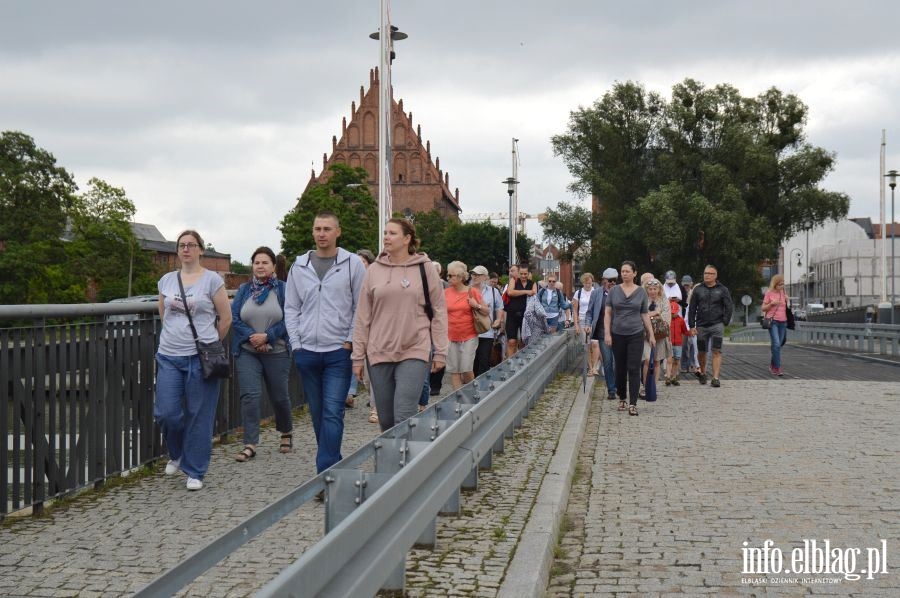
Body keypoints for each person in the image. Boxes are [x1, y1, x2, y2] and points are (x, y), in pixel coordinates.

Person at [284, 211, 366, 474]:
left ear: (337, 232)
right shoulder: (299, 266)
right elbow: (291, 307)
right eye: (317, 228)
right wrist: (296, 343)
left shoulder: (353, 264)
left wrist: (349, 340)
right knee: (318, 414)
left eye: (327, 229)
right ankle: (333, 462)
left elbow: (360, 306)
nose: (322, 234)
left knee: (332, 412)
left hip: (337, 352)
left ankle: (325, 473)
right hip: (307, 350)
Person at [352, 218, 448, 432]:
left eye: (392, 233)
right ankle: (392, 463)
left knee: (404, 414)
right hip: (379, 351)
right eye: (385, 233)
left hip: (414, 348)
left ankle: (409, 464)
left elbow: (439, 311)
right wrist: (358, 356)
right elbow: (362, 316)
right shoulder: (374, 270)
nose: (386, 237)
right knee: (386, 419)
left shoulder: (425, 268)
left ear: (407, 239)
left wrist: (441, 351)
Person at [154, 230, 232, 490]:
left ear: (201, 250)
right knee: (167, 413)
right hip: (169, 355)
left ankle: (195, 470)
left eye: (191, 245)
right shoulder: (166, 280)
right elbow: (164, 314)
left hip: (200, 357)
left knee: (199, 414)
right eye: (181, 245)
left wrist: (210, 344)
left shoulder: (211, 281)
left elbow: (226, 318)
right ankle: (176, 453)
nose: (186, 249)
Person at [231, 246, 293, 462]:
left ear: (274, 266)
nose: (260, 266)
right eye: (257, 262)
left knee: (279, 396)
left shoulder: (284, 290)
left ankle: (285, 431)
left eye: (265, 262)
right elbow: (235, 318)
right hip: (248, 351)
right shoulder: (243, 289)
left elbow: (290, 319)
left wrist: (268, 336)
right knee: (250, 396)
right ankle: (250, 443)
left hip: (277, 351)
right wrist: (253, 337)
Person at [604, 261, 654, 416]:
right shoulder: (614, 291)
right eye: (622, 271)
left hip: (636, 334)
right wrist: (607, 333)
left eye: (627, 271)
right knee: (619, 368)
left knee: (633, 368)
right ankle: (622, 398)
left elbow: (644, 314)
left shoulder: (641, 292)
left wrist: (650, 334)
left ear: (634, 273)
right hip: (618, 334)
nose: (624, 274)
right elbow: (607, 314)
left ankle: (633, 403)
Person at [687, 264, 733, 388]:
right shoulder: (698, 289)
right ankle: (702, 372)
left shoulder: (722, 289)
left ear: (715, 275)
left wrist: (725, 321)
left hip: (717, 324)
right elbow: (692, 308)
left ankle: (715, 378)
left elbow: (729, 306)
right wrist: (692, 325)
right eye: (705, 273)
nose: (707, 275)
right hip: (701, 325)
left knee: (717, 351)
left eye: (710, 273)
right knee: (702, 352)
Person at [346, 249, 378, 423]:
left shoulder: (376, 282)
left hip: (377, 333)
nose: (358, 266)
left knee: (375, 373)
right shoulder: (349, 282)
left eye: (362, 262)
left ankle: (376, 408)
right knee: (365, 377)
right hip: (357, 333)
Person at [444, 261, 485, 389]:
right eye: (448, 275)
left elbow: (486, 311)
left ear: (461, 277)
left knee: (466, 369)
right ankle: (459, 402)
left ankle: (473, 395)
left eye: (452, 275)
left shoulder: (472, 292)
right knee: (454, 371)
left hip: (469, 335)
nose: (448, 278)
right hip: (450, 336)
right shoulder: (445, 293)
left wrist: (476, 305)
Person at [584, 267, 618, 399]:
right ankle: (611, 389)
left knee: (617, 362)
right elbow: (590, 312)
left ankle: (617, 385)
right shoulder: (596, 293)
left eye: (614, 280)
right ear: (604, 280)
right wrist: (587, 324)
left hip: (619, 331)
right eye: (609, 280)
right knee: (608, 361)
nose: (612, 283)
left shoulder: (621, 292)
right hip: (603, 332)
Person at [470, 265, 504, 377]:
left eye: (478, 275)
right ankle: (471, 386)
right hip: (470, 331)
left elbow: (499, 306)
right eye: (473, 274)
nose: (475, 277)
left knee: (484, 360)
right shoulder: (467, 290)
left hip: (487, 330)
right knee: (472, 361)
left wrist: (498, 319)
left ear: (485, 277)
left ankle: (482, 387)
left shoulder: (493, 291)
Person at [504, 263, 536, 357]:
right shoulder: (513, 280)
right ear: (518, 273)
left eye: (525, 274)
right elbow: (510, 292)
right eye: (521, 273)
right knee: (511, 341)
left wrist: (518, 293)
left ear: (528, 273)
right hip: (512, 315)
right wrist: (526, 292)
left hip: (525, 317)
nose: (523, 276)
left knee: (523, 342)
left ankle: (522, 365)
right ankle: (509, 365)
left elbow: (534, 294)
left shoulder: (532, 283)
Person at [645, 278, 672, 388]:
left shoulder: (664, 301)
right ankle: (645, 385)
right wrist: (655, 313)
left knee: (656, 361)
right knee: (646, 360)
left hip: (659, 335)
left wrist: (650, 315)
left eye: (654, 289)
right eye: (650, 289)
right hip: (645, 335)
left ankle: (653, 386)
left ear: (659, 289)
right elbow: (641, 315)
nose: (652, 291)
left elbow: (666, 318)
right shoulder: (644, 300)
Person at [572, 272, 599, 374]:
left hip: (594, 320)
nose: (588, 285)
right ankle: (590, 367)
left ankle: (595, 366)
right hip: (583, 320)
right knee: (586, 345)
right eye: (586, 283)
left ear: (592, 282)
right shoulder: (578, 293)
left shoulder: (596, 292)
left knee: (595, 343)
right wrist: (576, 325)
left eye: (590, 283)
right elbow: (574, 310)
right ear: (583, 283)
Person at [762, 274, 789, 376]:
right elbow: (763, 308)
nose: (781, 286)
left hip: (783, 322)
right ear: (775, 284)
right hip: (773, 321)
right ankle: (777, 368)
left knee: (778, 344)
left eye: (783, 284)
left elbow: (786, 308)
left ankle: (772, 365)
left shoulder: (783, 293)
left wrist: (787, 300)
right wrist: (771, 304)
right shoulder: (769, 293)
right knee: (776, 344)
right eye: (779, 285)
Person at [667, 298, 688, 386]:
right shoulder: (667, 320)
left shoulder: (681, 320)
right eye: (671, 312)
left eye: (674, 312)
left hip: (678, 343)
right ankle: (668, 377)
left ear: (678, 311)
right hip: (669, 342)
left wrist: (691, 333)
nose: (673, 314)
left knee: (676, 360)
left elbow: (685, 331)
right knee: (669, 360)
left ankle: (674, 377)